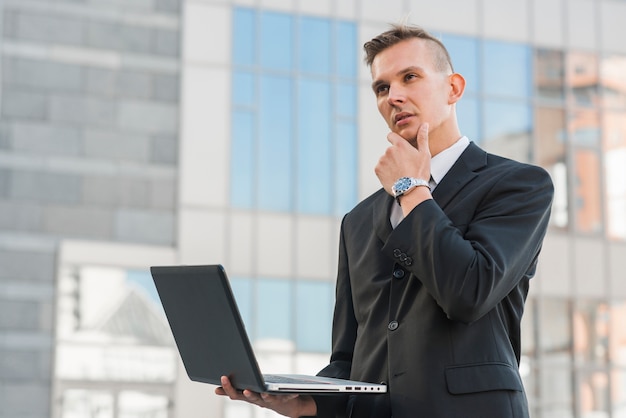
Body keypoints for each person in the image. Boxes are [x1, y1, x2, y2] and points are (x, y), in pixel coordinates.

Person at [216, 23, 554, 418]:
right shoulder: (357, 221)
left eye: (410, 77)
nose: (394, 96)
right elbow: (349, 355)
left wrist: (411, 189)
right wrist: (307, 401)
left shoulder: (518, 184)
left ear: (454, 88)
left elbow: (470, 290)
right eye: (381, 88)